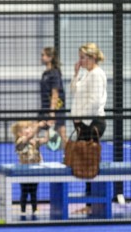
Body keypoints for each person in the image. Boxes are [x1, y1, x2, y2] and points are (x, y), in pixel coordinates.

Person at [70, 42, 107, 215]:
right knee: (85, 161)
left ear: (92, 58)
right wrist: (76, 73)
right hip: (83, 123)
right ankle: (90, 203)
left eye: (83, 57)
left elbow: (95, 101)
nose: (81, 60)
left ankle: (91, 204)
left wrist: (82, 118)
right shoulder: (86, 74)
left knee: (89, 161)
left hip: (92, 123)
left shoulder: (97, 74)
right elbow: (74, 91)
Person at [10, 120, 48, 220]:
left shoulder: (34, 141)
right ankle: (23, 210)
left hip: (34, 171)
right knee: (24, 192)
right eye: (26, 128)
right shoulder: (20, 141)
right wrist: (38, 126)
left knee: (34, 191)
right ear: (19, 133)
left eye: (30, 127)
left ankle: (34, 209)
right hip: (24, 172)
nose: (29, 130)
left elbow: (46, 140)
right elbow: (26, 139)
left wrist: (48, 129)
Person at [39, 46, 67, 146]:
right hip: (45, 107)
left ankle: (69, 156)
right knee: (40, 132)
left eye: (43, 55)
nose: (41, 57)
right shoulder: (45, 74)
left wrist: (52, 112)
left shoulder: (55, 73)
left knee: (62, 134)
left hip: (56, 109)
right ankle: (34, 156)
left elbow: (55, 94)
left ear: (50, 57)